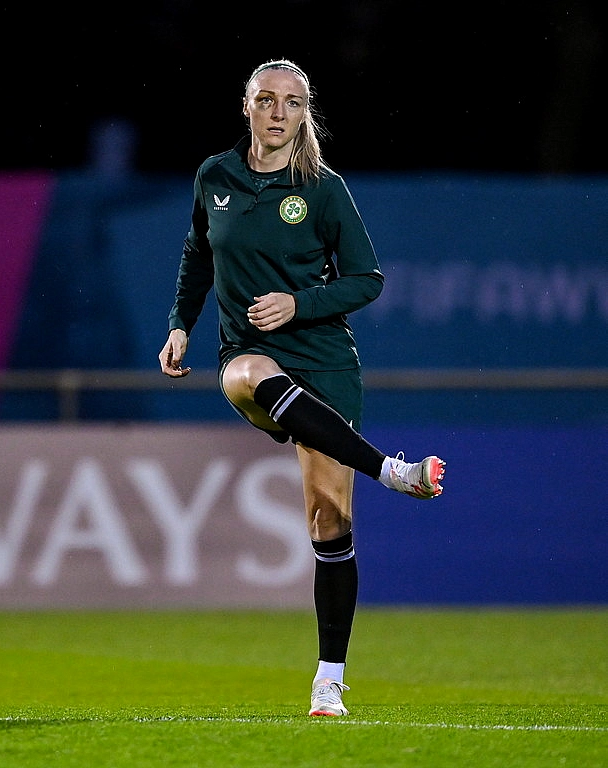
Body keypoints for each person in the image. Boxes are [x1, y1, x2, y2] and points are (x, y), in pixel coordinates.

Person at [159, 58, 446, 717]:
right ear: (247, 108)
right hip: (250, 351)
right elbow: (198, 252)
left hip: (321, 357)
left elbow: (367, 279)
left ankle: (328, 681)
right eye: (267, 100)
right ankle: (391, 471)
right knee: (246, 376)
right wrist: (181, 324)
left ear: (304, 113)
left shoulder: (322, 188)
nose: (278, 112)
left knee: (328, 521)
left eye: (291, 102)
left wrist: (299, 303)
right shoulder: (216, 176)